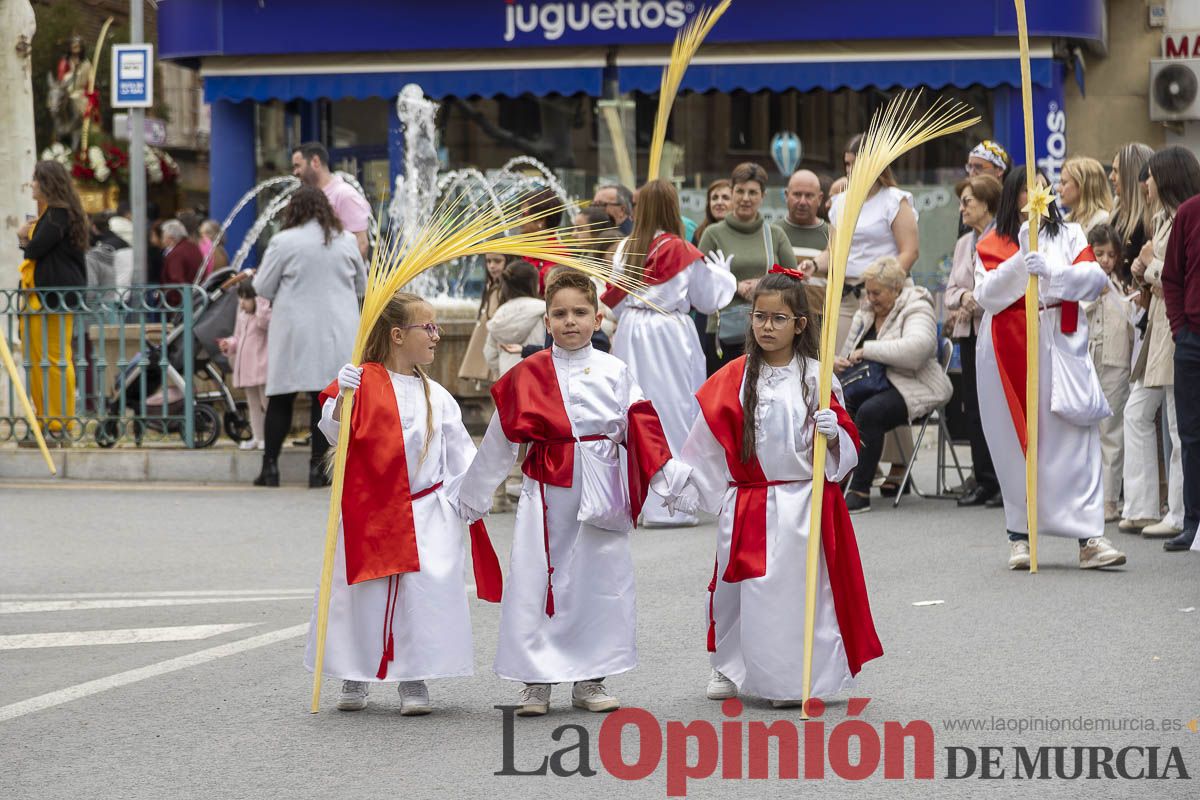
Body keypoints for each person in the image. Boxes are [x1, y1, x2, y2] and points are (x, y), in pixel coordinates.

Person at [456, 270, 693, 717]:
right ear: (546, 321)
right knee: (536, 578)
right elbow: (500, 440)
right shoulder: (528, 375)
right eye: (560, 314)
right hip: (546, 493)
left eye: (580, 313)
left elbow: (642, 430)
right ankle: (536, 680)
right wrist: (473, 495)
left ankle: (591, 676)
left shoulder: (616, 372)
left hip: (602, 491)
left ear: (598, 317)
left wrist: (670, 480)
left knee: (598, 581)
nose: (570, 322)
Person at [681, 268, 882, 707]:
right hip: (749, 499)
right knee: (739, 589)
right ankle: (728, 664)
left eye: (778, 319)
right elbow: (704, 443)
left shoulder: (817, 376)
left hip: (804, 501)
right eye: (760, 317)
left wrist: (836, 433)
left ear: (799, 325)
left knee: (798, 593)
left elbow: (845, 451)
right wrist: (683, 483)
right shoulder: (734, 376)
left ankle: (791, 674)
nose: (767, 327)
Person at [306, 292, 502, 714]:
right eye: (427, 328)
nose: (437, 335)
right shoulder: (363, 383)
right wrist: (342, 396)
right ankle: (353, 672)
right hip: (371, 509)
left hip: (427, 510)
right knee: (362, 593)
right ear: (397, 335)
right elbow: (336, 433)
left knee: (421, 594)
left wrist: (470, 498)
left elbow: (461, 457)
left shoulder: (439, 397)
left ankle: (413, 676)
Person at [973, 166, 1126, 570]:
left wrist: (1054, 273)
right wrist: (1020, 260)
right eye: (1027, 187)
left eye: (1042, 185)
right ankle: (1019, 536)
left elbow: (1094, 277)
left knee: (1075, 435)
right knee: (1014, 440)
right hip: (1008, 347)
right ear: (1013, 195)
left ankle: (1089, 537)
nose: (1036, 193)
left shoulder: (1072, 233)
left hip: (1060, 341)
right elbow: (987, 295)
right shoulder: (993, 240)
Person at [605, 179, 736, 526]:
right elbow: (707, 300)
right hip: (670, 332)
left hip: (632, 331)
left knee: (633, 408)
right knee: (675, 409)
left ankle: (637, 497)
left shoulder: (623, 250)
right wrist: (723, 275)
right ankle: (674, 500)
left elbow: (614, 305)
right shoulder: (681, 249)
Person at [252, 186, 367, 489]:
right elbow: (362, 285)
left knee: (280, 399)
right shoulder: (345, 240)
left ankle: (270, 468)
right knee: (325, 398)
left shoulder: (283, 241)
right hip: (337, 328)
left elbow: (262, 287)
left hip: (294, 329)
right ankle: (319, 471)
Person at [1121, 146, 1200, 539]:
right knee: (1167, 420)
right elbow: (1162, 276)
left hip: (1175, 329)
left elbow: (1177, 274)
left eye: (1150, 177)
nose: (1144, 184)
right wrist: (1144, 268)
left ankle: (1181, 512)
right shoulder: (1165, 218)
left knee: (1177, 421)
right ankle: (1157, 508)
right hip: (1165, 327)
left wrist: (1149, 264)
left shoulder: (1182, 217)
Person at [836, 257, 952, 514]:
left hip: (914, 383)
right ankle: (835, 479)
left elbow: (918, 350)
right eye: (868, 291)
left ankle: (859, 491)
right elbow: (848, 354)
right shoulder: (866, 311)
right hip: (873, 383)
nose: (870, 298)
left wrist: (868, 350)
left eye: (876, 292)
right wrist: (839, 363)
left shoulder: (917, 306)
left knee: (869, 412)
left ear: (896, 288)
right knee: (837, 405)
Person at [804, 133, 920, 354]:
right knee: (837, 364)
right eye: (847, 164)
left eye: (856, 164)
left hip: (889, 296)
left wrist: (883, 286)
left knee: (885, 363)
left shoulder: (894, 200)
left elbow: (910, 252)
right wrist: (814, 264)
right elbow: (833, 252)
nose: (849, 170)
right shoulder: (841, 202)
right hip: (848, 295)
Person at [697, 163, 797, 366]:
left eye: (752, 192)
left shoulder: (774, 234)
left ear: (763, 196)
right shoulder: (713, 234)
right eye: (740, 191)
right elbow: (699, 283)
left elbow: (794, 279)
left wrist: (763, 284)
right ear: (732, 192)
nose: (745, 198)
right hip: (723, 335)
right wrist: (735, 286)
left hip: (769, 333)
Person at [944, 175, 1004, 507]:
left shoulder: (1005, 236)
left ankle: (1003, 480)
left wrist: (980, 297)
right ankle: (984, 480)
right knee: (975, 408)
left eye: (968, 201)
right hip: (970, 334)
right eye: (961, 201)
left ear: (986, 203)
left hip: (997, 331)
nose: (962, 207)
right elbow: (951, 291)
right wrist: (966, 295)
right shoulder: (963, 243)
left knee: (1000, 406)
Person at [16, 160, 87, 435]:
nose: (32, 184)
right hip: (48, 297)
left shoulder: (59, 214)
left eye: (36, 179)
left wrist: (23, 237)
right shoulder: (57, 214)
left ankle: (58, 422)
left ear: (47, 183)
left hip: (53, 298)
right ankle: (47, 419)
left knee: (53, 358)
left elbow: (34, 249)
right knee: (41, 358)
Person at [1082, 224, 1134, 522]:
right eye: (1099, 253)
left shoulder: (1122, 286)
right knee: (1087, 432)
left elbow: (1130, 320)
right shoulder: (1084, 283)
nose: (1104, 260)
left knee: (1111, 431)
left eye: (1110, 255)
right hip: (1087, 360)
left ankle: (1110, 499)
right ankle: (1088, 496)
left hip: (1115, 361)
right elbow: (1075, 311)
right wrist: (1092, 292)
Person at [1161, 191, 1200, 552]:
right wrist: (1180, 329)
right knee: (1191, 436)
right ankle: (1193, 523)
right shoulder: (1189, 213)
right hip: (1192, 342)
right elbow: (1171, 277)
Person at [292, 142, 371, 259]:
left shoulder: (344, 194)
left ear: (315, 161)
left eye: (298, 166)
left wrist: (338, 275)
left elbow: (361, 245)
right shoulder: (308, 197)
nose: (295, 172)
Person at [218, 282, 271, 451]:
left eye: (246, 298)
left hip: (262, 366)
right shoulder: (242, 316)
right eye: (240, 298)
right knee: (253, 404)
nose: (242, 302)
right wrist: (229, 344)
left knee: (266, 403)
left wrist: (261, 301)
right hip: (247, 368)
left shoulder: (262, 315)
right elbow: (238, 337)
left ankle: (268, 438)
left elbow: (265, 323)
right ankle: (257, 437)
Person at [781, 168, 830, 331]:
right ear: (786, 195)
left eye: (809, 196)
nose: (802, 201)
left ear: (820, 198)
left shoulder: (832, 234)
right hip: (781, 322)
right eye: (797, 194)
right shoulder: (772, 232)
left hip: (820, 324)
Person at [484, 260, 546, 377]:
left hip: (508, 378)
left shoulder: (500, 314)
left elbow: (489, 353)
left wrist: (501, 372)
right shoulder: (543, 310)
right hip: (538, 377)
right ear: (534, 285)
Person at [458, 251, 507, 386]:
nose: (491, 266)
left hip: (499, 344)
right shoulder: (492, 285)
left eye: (497, 261)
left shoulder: (506, 289)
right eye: (488, 262)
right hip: (489, 343)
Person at [1109, 143, 1155, 286]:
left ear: (1131, 175)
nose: (1111, 177)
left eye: (1116, 171)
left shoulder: (1148, 221)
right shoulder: (1116, 214)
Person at [517, 188, 565, 294]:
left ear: (541, 220)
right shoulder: (520, 249)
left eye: (523, 215)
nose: (518, 220)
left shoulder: (557, 255)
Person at [1058, 156, 1113, 234]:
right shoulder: (1066, 220)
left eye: (1064, 183)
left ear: (1082, 186)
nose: (1058, 189)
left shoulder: (1102, 220)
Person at [160, 219, 204, 306]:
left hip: (180, 304)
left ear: (170, 238)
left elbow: (176, 279)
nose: (162, 240)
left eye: (163, 237)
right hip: (197, 297)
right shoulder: (194, 248)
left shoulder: (176, 254)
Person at [85, 212, 133, 290]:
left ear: (94, 227)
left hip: (112, 290)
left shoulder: (103, 247)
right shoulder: (120, 241)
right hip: (124, 288)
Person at [692, 179, 731, 246]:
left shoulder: (741, 232)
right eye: (714, 198)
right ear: (708, 203)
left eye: (725, 198)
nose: (719, 202)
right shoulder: (699, 234)